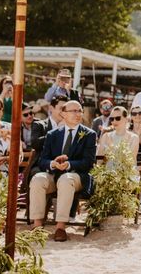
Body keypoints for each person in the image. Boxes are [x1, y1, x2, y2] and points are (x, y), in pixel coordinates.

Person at [29, 100, 96, 242]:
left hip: (76, 176)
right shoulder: (53, 134)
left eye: (80, 111)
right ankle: (37, 226)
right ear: (63, 114)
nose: (78, 114)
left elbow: (88, 162)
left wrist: (69, 165)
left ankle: (60, 227)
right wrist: (53, 164)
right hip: (54, 175)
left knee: (66, 180)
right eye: (73, 111)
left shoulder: (89, 134)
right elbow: (42, 161)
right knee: (38, 179)